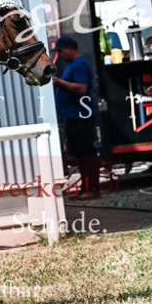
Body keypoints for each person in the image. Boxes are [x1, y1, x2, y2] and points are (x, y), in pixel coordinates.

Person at [52, 36, 100, 198]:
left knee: (86, 153)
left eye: (60, 51)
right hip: (73, 116)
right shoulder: (73, 64)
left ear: (69, 49)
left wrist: (59, 82)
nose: (59, 55)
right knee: (80, 154)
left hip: (81, 116)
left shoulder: (79, 64)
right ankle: (86, 186)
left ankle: (93, 188)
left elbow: (81, 88)